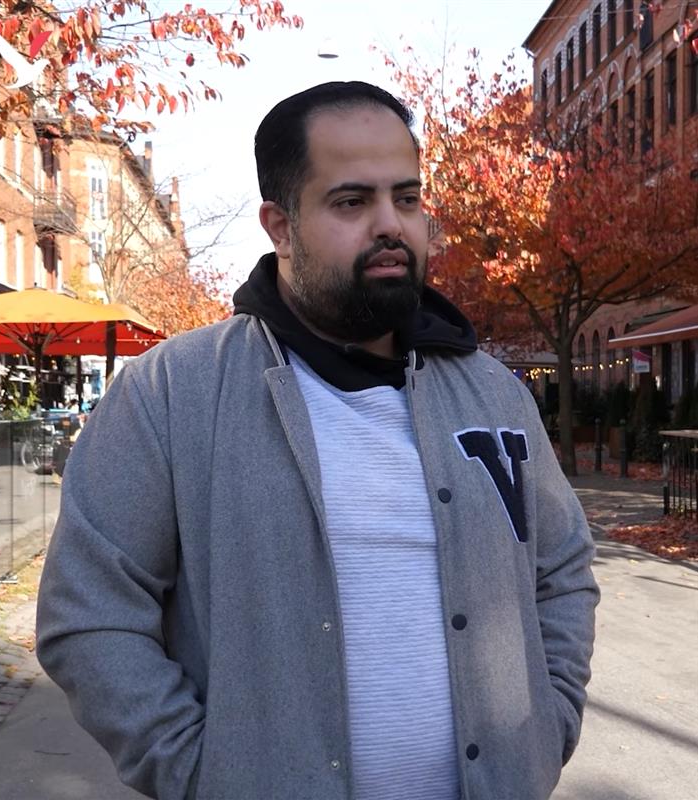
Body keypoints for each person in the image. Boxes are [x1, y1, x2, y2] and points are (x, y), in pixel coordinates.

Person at [36, 82, 599, 800]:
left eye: (406, 197)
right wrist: (202, 774)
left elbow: (562, 569)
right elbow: (89, 613)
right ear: (280, 226)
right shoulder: (172, 393)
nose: (391, 225)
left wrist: (547, 725)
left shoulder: (494, 394)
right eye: (351, 202)